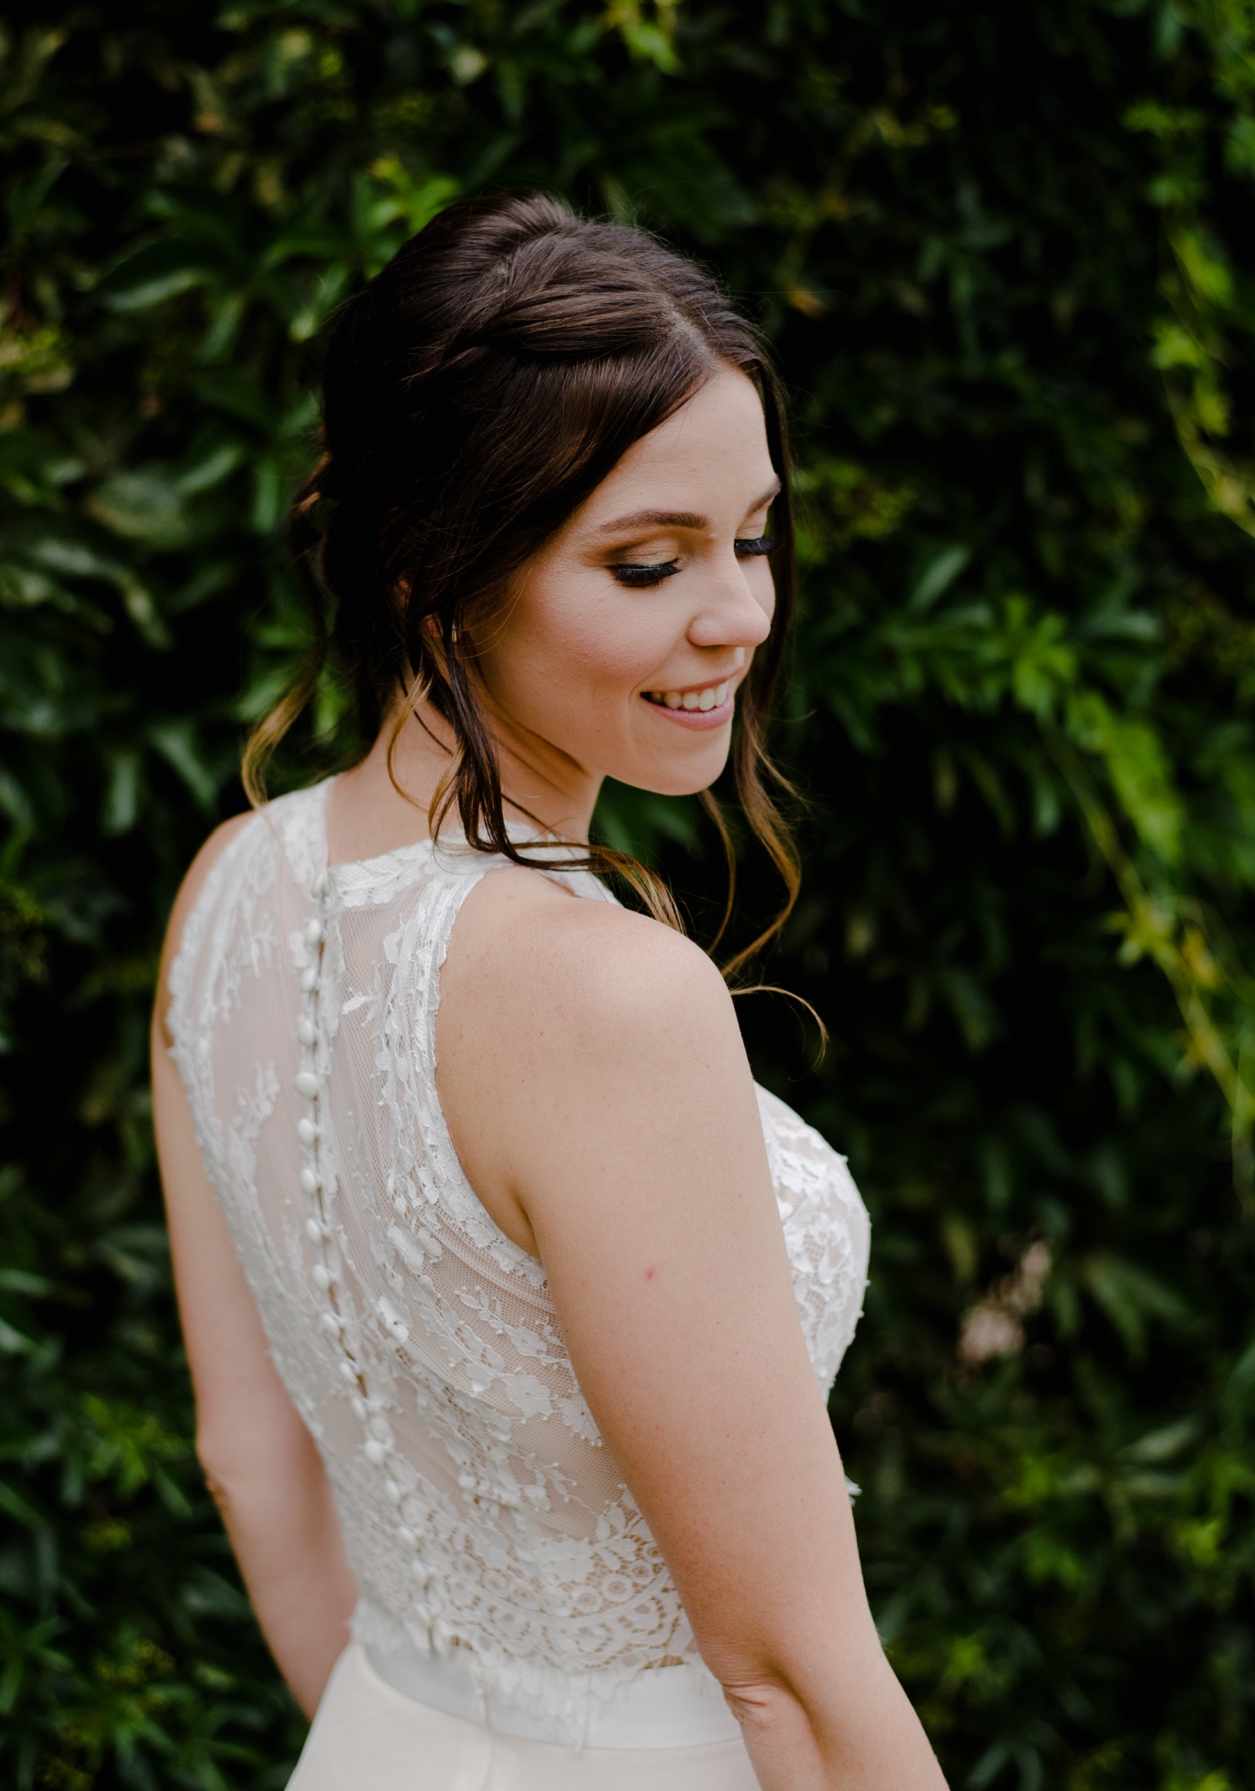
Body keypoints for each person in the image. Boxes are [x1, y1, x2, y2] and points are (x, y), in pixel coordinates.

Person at [152, 190, 947, 1790]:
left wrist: (416, 1739)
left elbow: (250, 1462)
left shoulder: (227, 891)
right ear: (434, 573)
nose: (737, 615)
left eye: (754, 534)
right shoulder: (608, 999)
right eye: (647, 563)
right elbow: (789, 1673)